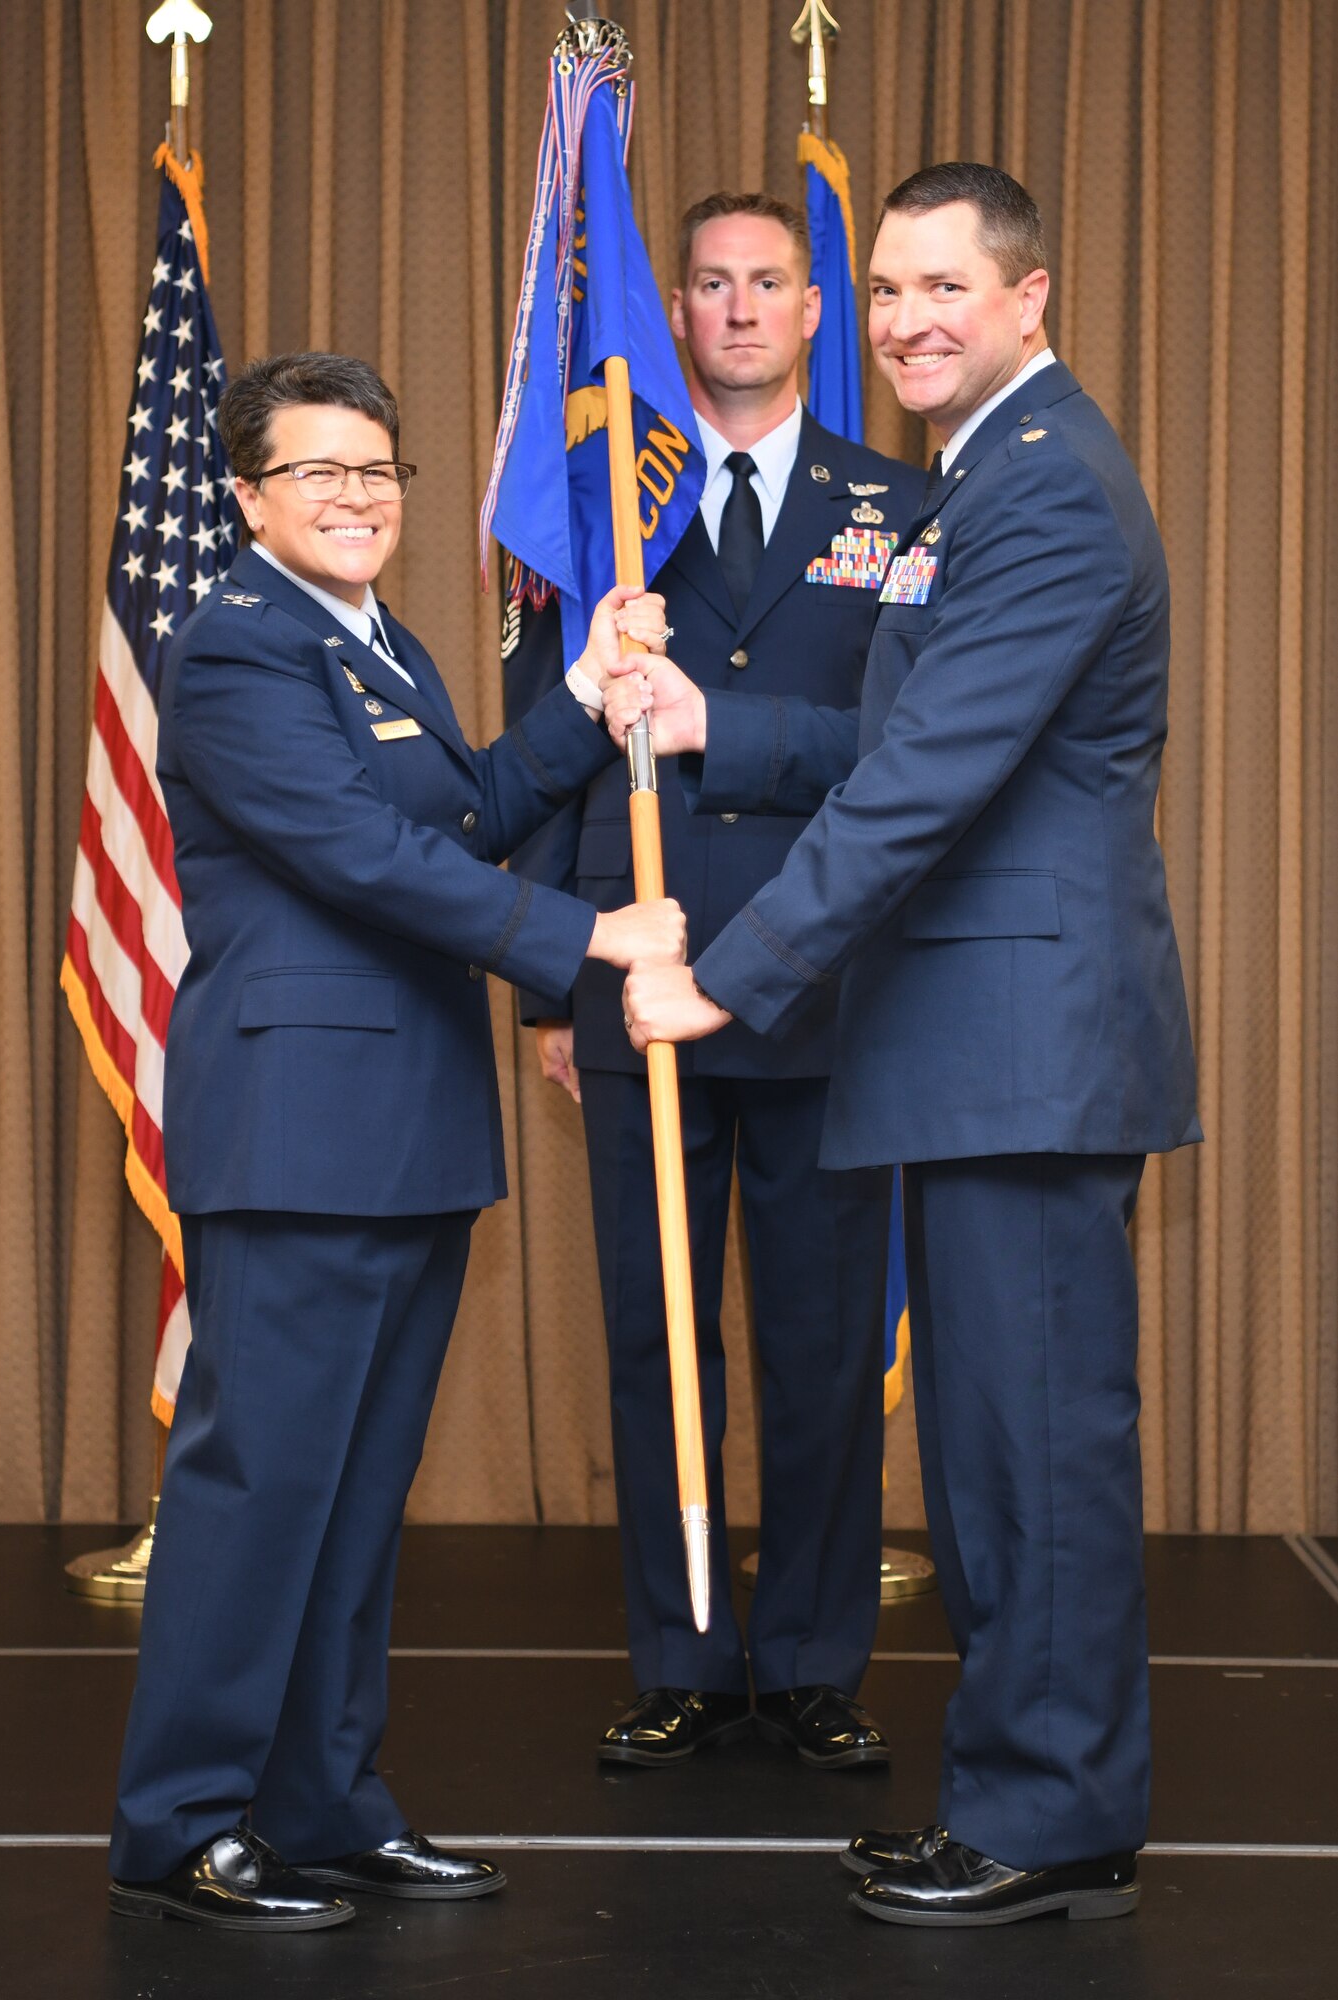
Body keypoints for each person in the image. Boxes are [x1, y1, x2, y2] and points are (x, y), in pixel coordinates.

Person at [615, 163, 1199, 1925]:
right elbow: (893, 729)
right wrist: (705, 712)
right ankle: (1031, 1795)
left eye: (942, 287)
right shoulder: (981, 479)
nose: (903, 320)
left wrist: (733, 971)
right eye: (882, 292)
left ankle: (1049, 1816)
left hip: (1019, 1043)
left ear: (1028, 300)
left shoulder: (1048, 494)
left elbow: (930, 780)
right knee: (990, 1453)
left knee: (1030, 1450)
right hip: (972, 1043)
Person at [108, 352, 682, 1933]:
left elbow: (466, 811)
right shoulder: (234, 648)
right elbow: (360, 857)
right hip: (299, 1129)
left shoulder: (383, 643)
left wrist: (578, 704)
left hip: (408, 1126)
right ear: (244, 499)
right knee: (256, 1488)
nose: (357, 499)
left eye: (378, 472)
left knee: (357, 1498)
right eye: (319, 474)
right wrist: (596, 942)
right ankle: (183, 1822)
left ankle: (325, 1805)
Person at [504, 193, 924, 1770]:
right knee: (648, 1335)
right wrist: (548, 977)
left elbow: (906, 754)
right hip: (636, 966)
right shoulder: (606, 504)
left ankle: (812, 1660)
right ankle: (681, 1651)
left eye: (768, 284)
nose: (738, 310)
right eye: (708, 285)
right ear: (672, 310)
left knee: (821, 1345)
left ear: (816, 311)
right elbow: (537, 747)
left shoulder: (897, 506)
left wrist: (716, 732)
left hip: (818, 974)